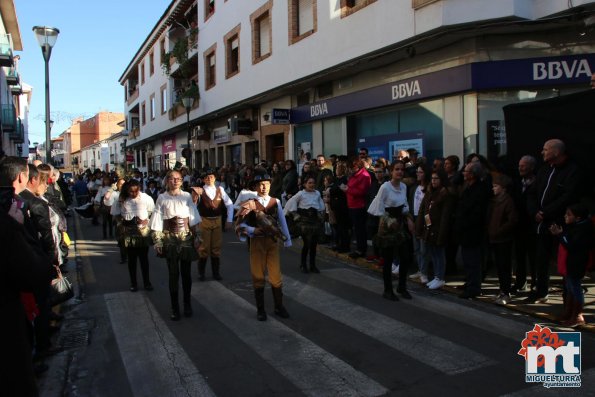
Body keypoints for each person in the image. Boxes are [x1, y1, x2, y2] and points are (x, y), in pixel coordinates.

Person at [526, 139, 581, 304]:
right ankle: (541, 291)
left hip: (559, 224)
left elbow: (568, 197)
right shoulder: (544, 170)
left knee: (563, 262)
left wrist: (546, 212)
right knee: (541, 259)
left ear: (556, 152)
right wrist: (534, 211)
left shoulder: (573, 171)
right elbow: (531, 192)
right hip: (541, 224)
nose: (542, 152)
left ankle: (569, 298)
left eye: (545, 149)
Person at [235, 174, 292, 321]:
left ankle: (279, 307)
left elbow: (282, 221)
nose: (264, 187)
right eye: (260, 184)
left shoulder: (276, 201)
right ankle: (260, 310)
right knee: (258, 275)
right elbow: (240, 225)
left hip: (272, 242)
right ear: (255, 187)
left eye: (266, 183)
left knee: (275, 276)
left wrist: (287, 240)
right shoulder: (249, 203)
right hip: (257, 242)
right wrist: (253, 231)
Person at [150, 170, 202, 320]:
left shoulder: (187, 196)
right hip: (169, 238)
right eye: (172, 179)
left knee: (186, 274)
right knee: (173, 274)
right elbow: (157, 221)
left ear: (181, 181)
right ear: (167, 181)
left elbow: (193, 217)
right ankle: (175, 307)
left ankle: (187, 304)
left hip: (185, 237)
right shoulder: (161, 198)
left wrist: (198, 237)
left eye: (178, 179)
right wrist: (158, 240)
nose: (175, 181)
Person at [368, 160, 415, 300]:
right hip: (387, 225)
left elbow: (405, 205)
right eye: (397, 169)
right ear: (391, 171)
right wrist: (389, 221)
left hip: (399, 223)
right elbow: (379, 207)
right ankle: (388, 290)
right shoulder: (385, 187)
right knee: (388, 259)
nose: (400, 172)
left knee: (405, 257)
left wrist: (409, 219)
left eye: (401, 169)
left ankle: (401, 286)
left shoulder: (403, 187)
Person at [550, 203, 593, 327]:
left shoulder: (583, 229)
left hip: (577, 263)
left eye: (569, 215)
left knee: (575, 288)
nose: (565, 217)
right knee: (569, 287)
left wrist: (559, 234)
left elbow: (572, 245)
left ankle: (577, 315)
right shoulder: (576, 226)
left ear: (578, 217)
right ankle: (569, 313)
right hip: (571, 262)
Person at [454, 161, 490, 299]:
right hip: (465, 231)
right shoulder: (468, 187)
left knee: (473, 260)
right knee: (467, 260)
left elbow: (476, 213)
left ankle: (474, 287)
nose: (463, 173)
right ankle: (470, 283)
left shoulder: (480, 190)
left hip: (473, 231)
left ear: (473, 174)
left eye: (467, 171)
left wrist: (464, 223)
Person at [113, 179, 155, 292]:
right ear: (127, 190)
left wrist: (147, 221)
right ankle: (133, 283)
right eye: (131, 191)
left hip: (142, 231)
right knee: (132, 259)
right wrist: (120, 225)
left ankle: (147, 282)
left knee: (144, 259)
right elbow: (116, 214)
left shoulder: (146, 198)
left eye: (136, 191)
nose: (133, 194)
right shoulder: (121, 199)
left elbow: (152, 211)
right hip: (128, 232)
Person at [192, 169, 234, 281]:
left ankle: (216, 273)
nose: (209, 179)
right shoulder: (199, 191)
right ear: (203, 179)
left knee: (216, 248)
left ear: (215, 178)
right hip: (204, 220)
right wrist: (195, 222)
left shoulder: (220, 189)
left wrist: (229, 220)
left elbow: (230, 204)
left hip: (218, 220)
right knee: (203, 248)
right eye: (206, 177)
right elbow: (193, 207)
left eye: (211, 177)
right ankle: (201, 273)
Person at [416, 169, 454, 289]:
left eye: (436, 178)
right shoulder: (430, 192)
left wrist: (441, 234)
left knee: (439, 254)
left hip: (438, 229)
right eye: (432, 178)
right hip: (429, 229)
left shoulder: (446, 194)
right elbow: (424, 210)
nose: (433, 181)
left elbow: (445, 216)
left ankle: (440, 277)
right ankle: (437, 277)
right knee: (432, 252)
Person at [486, 174, 518, 305]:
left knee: (505, 267)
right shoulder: (495, 201)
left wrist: (498, 231)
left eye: (496, 186)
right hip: (495, 238)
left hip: (503, 239)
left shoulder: (508, 201)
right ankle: (502, 291)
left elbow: (512, 220)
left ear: (503, 188)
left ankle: (506, 293)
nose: (493, 188)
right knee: (499, 267)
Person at [284, 176, 325, 273]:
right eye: (309, 183)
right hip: (304, 221)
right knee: (307, 243)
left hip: (314, 220)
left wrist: (321, 214)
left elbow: (320, 205)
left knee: (314, 244)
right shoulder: (300, 194)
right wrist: (294, 214)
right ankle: (303, 264)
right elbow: (291, 201)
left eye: (313, 183)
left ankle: (312, 265)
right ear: (304, 184)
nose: (312, 185)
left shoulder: (317, 193)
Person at [512, 155, 537, 293]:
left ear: (531, 167)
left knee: (534, 257)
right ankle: (520, 282)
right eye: (519, 165)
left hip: (532, 226)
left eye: (524, 165)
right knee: (519, 256)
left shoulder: (537, 183)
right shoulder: (517, 183)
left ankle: (535, 283)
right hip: (519, 225)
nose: (520, 168)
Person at [408, 164, 432, 283]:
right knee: (416, 248)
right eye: (417, 172)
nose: (418, 174)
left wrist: (427, 224)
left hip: (424, 219)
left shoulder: (429, 188)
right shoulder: (414, 188)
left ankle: (424, 272)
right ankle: (419, 269)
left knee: (424, 249)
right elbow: (410, 205)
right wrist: (410, 219)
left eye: (421, 172)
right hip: (414, 218)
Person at [345, 158, 371, 259]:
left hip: (359, 206)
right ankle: (359, 248)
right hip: (352, 204)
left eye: (352, 167)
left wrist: (348, 190)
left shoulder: (364, 176)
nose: (351, 169)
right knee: (356, 228)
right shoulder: (354, 175)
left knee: (360, 229)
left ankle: (361, 250)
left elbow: (362, 192)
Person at [109, 179, 127, 264]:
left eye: (124, 184)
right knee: (121, 239)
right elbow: (107, 198)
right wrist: (111, 189)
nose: (122, 186)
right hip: (119, 219)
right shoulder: (115, 194)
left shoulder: (129, 194)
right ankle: (123, 257)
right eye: (120, 184)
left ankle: (127, 255)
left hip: (128, 219)